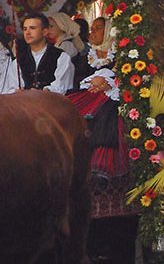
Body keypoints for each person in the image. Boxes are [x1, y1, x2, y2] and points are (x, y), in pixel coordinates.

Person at [66, 17, 127, 178]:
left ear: (108, 31)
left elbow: (126, 77)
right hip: (88, 94)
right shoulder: (87, 55)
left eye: (98, 28)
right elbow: (78, 77)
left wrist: (109, 82)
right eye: (92, 28)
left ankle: (101, 164)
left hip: (110, 96)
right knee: (70, 111)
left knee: (107, 113)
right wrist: (91, 81)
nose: (93, 32)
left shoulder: (119, 55)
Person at [15, 12, 74, 94]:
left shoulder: (61, 57)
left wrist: (42, 92)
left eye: (32, 28)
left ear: (45, 31)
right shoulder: (18, 60)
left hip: (52, 104)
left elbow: (62, 87)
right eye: (25, 29)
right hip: (25, 105)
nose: (27, 33)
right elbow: (12, 87)